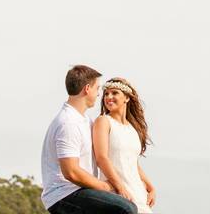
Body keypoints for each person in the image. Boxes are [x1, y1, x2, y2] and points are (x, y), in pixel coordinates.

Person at [41, 65, 138, 214]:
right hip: (64, 195)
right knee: (126, 208)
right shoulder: (68, 122)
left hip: (81, 191)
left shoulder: (85, 120)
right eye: (97, 89)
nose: (99, 94)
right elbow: (71, 172)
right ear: (87, 89)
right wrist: (104, 186)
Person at [92, 77, 156, 213]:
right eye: (106, 94)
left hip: (138, 192)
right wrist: (120, 189)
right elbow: (101, 158)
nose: (109, 97)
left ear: (126, 98)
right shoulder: (103, 121)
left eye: (114, 93)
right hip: (118, 192)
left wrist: (151, 187)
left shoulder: (132, 128)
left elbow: (133, 163)